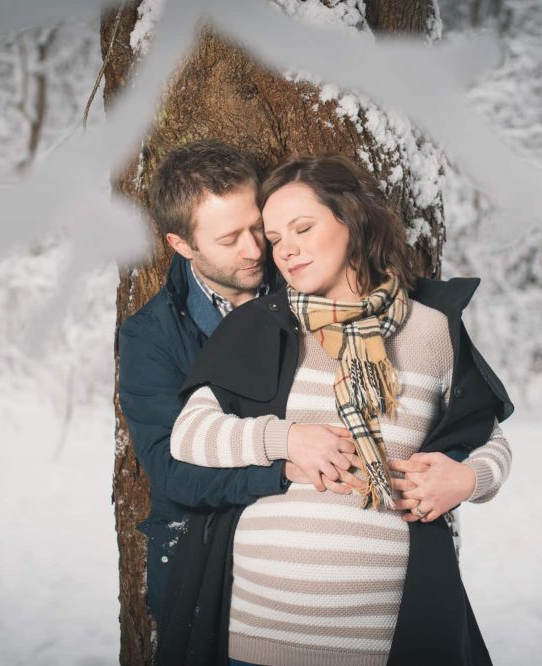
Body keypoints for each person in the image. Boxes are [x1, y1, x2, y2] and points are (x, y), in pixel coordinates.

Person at [160, 154, 514, 665]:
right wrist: (284, 438)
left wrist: (465, 480)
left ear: (351, 218)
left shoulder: (432, 331)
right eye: (276, 238)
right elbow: (190, 434)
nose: (286, 250)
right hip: (259, 633)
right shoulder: (262, 326)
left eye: (302, 228)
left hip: (377, 638)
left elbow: (491, 441)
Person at [117, 141, 364, 630]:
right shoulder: (150, 337)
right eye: (230, 239)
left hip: (322, 547)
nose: (255, 251)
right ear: (181, 245)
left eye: (257, 228)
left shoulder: (310, 278)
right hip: (201, 542)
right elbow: (173, 470)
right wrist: (282, 467)